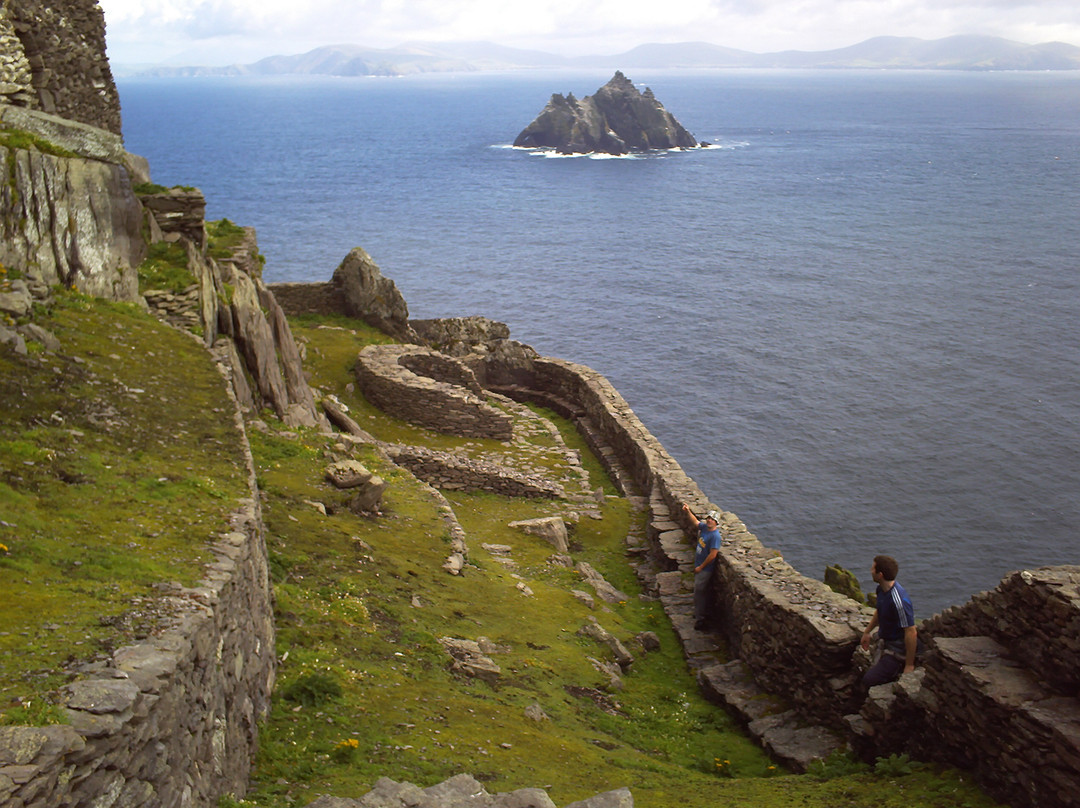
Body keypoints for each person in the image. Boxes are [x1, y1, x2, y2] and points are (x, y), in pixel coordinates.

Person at [860, 554, 918, 688]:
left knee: (869, 680)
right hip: (885, 640)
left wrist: (909, 665)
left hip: (897, 649)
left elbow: (911, 632)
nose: (870, 571)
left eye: (873, 568)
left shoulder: (899, 601)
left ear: (880, 575)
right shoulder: (881, 589)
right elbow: (880, 612)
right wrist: (867, 632)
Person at [682, 503, 723, 631]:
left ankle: (701, 620)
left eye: (712, 519)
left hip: (705, 570)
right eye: (709, 518)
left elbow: (713, 555)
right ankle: (700, 614)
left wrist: (701, 567)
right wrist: (688, 511)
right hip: (699, 566)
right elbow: (695, 522)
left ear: (716, 523)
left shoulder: (715, 536)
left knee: (699, 594)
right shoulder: (705, 528)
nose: (709, 520)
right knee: (699, 592)